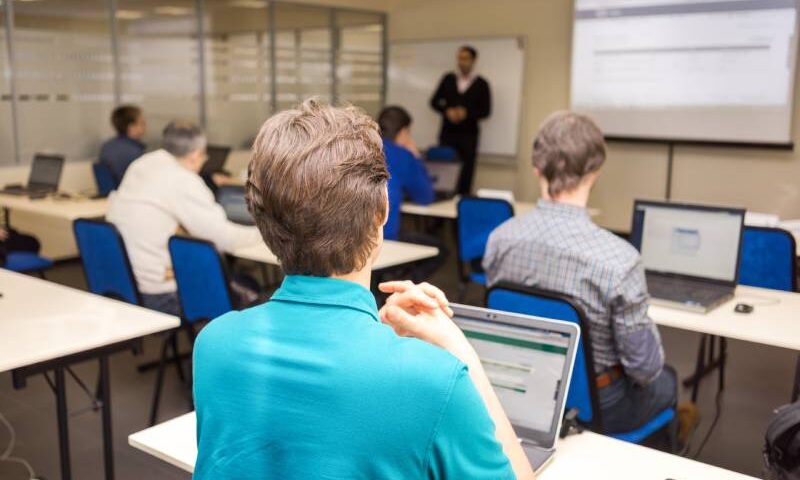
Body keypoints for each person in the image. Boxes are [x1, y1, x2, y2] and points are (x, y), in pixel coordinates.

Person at [192, 99, 535, 479]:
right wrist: (460, 352)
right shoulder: (434, 382)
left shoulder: (213, 344)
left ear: (261, 219)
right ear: (382, 211)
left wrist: (374, 335)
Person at [483, 111, 677, 434]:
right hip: (600, 406)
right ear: (596, 171)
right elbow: (644, 369)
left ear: (536, 170)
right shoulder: (619, 259)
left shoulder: (500, 239)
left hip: (522, 392)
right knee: (667, 380)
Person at [106, 121, 262, 315]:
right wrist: (263, 232)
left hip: (128, 284)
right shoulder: (183, 179)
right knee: (249, 288)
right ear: (196, 154)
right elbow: (224, 239)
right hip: (160, 295)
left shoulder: (142, 164)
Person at [429, 45, 491, 195]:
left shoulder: (482, 84)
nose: (461, 62)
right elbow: (434, 102)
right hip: (448, 134)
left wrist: (467, 113)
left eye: (465, 58)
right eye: (459, 58)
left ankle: (458, 213)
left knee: (465, 177)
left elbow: (486, 111)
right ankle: (440, 216)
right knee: (444, 173)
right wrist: (447, 111)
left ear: (473, 60)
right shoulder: (448, 79)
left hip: (468, 137)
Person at [99, 105, 147, 187]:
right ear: (131, 127)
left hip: (114, 195)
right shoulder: (134, 153)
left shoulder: (106, 147)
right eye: (142, 123)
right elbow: (145, 181)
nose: (146, 126)